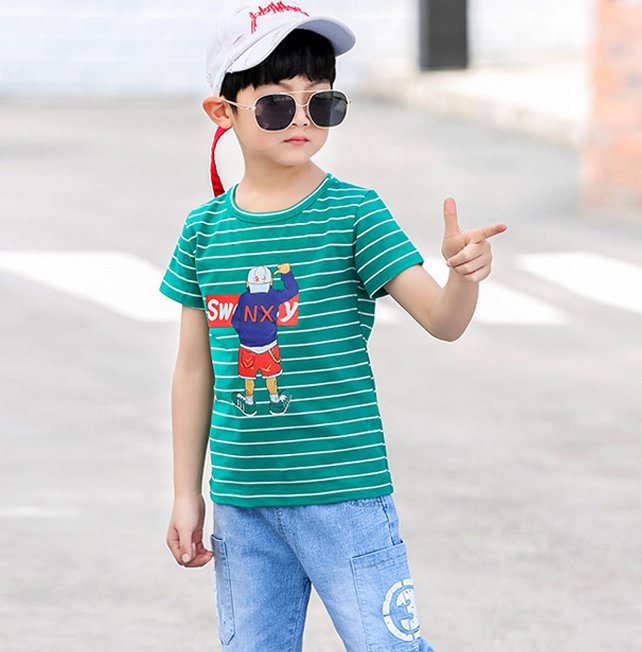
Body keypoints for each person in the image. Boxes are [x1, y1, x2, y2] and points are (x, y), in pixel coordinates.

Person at [159, 3, 507, 650]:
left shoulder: (354, 213)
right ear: (222, 112)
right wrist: (187, 493)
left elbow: (442, 320)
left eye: (321, 103)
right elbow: (192, 369)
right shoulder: (203, 231)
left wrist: (462, 276)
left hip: (344, 494)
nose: (301, 119)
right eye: (275, 104)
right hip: (242, 500)